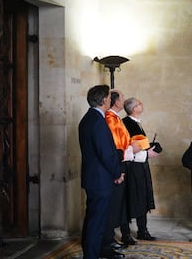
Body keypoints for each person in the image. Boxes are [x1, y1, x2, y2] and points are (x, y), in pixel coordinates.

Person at [78, 85, 125, 259]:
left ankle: (92, 253)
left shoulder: (89, 118)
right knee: (95, 222)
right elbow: (105, 153)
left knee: (93, 220)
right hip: (100, 180)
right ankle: (90, 255)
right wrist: (117, 173)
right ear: (104, 99)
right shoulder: (97, 121)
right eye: (108, 97)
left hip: (95, 179)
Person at [104, 90, 141, 249]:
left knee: (122, 202)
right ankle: (109, 238)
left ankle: (119, 235)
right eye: (122, 98)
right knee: (114, 204)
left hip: (124, 161)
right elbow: (115, 145)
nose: (124, 100)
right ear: (116, 102)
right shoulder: (110, 118)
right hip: (118, 163)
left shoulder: (116, 117)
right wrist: (131, 149)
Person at [121, 97, 160, 241]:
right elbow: (128, 147)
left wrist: (149, 147)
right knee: (130, 198)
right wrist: (147, 153)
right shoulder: (126, 123)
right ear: (133, 109)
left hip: (140, 166)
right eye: (139, 104)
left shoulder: (135, 123)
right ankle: (126, 234)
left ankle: (142, 231)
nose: (142, 104)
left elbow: (139, 144)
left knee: (142, 198)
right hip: (132, 168)